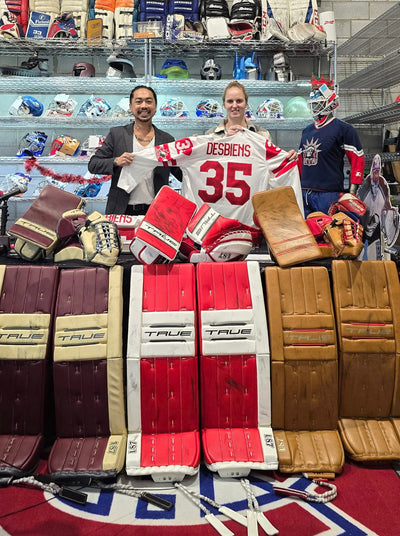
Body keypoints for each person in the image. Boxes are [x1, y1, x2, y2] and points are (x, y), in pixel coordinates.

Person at [88, 85, 181, 215]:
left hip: (156, 212)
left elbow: (180, 173)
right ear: (131, 107)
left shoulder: (166, 139)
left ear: (155, 106)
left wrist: (192, 152)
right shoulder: (117, 134)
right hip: (122, 210)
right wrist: (116, 161)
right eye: (138, 101)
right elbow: (93, 164)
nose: (144, 106)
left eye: (149, 101)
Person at [298, 76, 365, 217]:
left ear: (330, 103)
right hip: (303, 191)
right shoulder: (306, 131)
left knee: (329, 232)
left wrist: (353, 190)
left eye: (319, 103)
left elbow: (357, 158)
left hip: (328, 193)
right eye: (314, 104)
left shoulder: (343, 129)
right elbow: (300, 161)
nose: (315, 107)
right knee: (306, 233)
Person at [205, 80, 298, 161]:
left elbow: (273, 163)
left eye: (239, 101)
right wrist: (193, 149)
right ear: (224, 104)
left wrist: (288, 158)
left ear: (246, 103)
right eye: (230, 101)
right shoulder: (210, 136)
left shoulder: (262, 135)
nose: (234, 105)